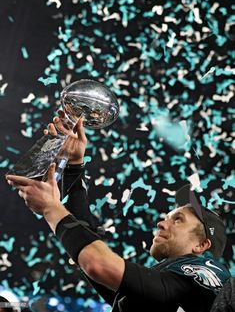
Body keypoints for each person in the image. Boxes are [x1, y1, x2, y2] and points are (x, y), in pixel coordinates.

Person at [6, 113, 231, 312]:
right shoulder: (164, 287)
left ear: (201, 246)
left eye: (178, 220)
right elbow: (89, 248)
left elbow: (98, 264)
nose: (161, 224)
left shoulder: (208, 273)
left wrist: (51, 208)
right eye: (167, 218)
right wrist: (74, 164)